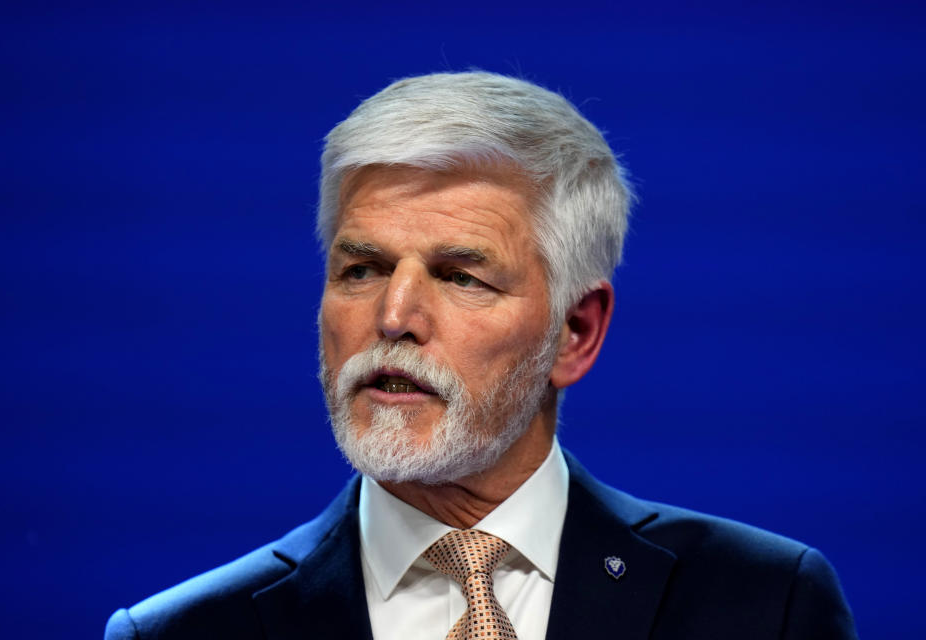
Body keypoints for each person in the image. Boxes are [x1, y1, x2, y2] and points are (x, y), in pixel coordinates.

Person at [105, 71, 858, 640]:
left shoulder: (764, 605)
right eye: (360, 270)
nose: (393, 318)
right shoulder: (180, 635)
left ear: (576, 332)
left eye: (461, 276)